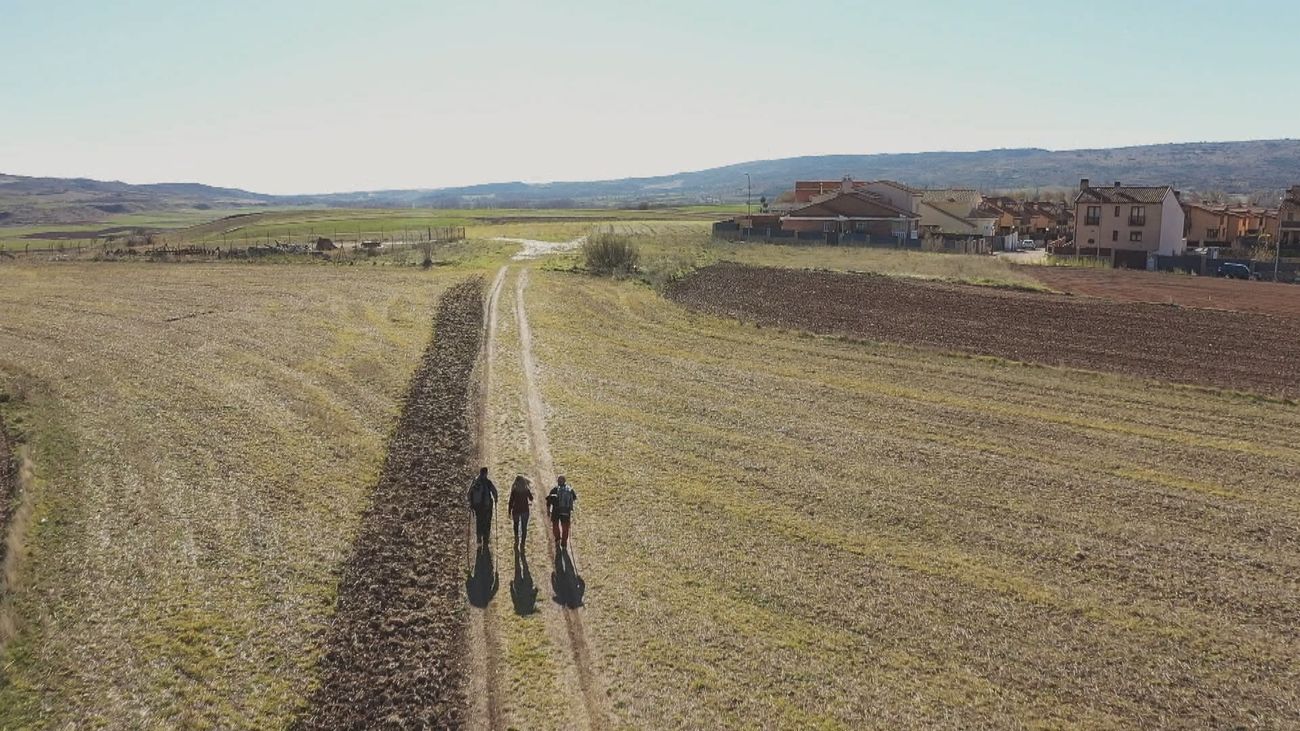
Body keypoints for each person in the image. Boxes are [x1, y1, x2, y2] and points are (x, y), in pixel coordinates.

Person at [468, 467, 498, 549]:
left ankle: (478, 539)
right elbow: (494, 491)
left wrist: (471, 503)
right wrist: (496, 499)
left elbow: (469, 493)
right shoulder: (487, 482)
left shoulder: (475, 481)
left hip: (477, 507)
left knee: (479, 521)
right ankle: (485, 539)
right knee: (487, 522)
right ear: (486, 473)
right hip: (486, 507)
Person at [545, 474, 577, 549]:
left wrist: (548, 511)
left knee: (555, 526)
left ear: (558, 481)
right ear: (565, 481)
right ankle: (564, 543)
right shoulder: (569, 490)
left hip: (555, 511)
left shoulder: (554, 490)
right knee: (565, 528)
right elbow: (574, 498)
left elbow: (549, 501)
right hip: (566, 511)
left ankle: (557, 539)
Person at [508, 474, 534, 550]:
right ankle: (523, 542)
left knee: (515, 525)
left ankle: (516, 538)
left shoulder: (514, 490)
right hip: (525, 510)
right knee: (524, 527)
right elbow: (531, 498)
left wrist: (509, 511)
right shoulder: (526, 489)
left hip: (516, 510)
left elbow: (510, 502)